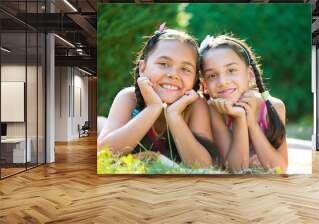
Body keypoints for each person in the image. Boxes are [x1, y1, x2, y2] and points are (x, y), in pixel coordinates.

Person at [98, 24, 217, 168]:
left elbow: (204, 167)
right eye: (163, 63)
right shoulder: (128, 98)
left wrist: (174, 116)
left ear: (194, 80)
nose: (173, 74)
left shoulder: (196, 105)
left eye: (185, 69)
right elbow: (103, 154)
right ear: (142, 68)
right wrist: (152, 108)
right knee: (99, 124)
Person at [198, 34, 288, 173]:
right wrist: (240, 118)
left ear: (250, 75)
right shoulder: (213, 110)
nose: (222, 81)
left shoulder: (273, 107)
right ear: (205, 84)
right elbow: (235, 169)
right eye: (212, 75)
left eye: (231, 70)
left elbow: (280, 169)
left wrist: (251, 123)